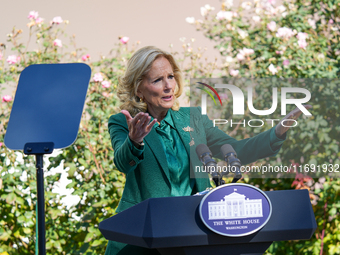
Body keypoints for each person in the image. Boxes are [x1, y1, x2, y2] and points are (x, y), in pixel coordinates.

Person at [105, 46, 310, 254]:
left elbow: (237, 150)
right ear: (139, 89)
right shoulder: (123, 122)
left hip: (191, 232)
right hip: (143, 237)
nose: (168, 86)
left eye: (171, 77)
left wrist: (277, 132)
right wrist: (134, 140)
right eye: (157, 80)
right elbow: (123, 163)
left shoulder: (193, 118)